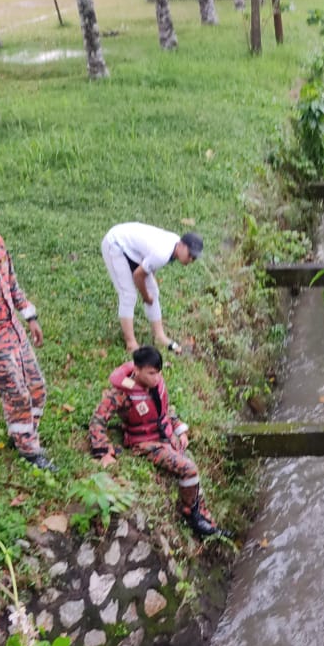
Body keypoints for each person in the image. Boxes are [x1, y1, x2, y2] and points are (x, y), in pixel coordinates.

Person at [89, 345, 232, 541]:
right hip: (146, 444)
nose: (156, 378)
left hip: (167, 438)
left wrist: (179, 429)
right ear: (137, 370)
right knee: (189, 468)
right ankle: (190, 514)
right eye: (151, 373)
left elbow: (164, 411)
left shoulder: (157, 384)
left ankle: (209, 524)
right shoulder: (121, 393)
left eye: (158, 373)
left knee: (195, 478)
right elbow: (98, 420)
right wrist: (103, 450)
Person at [0, 198, 53, 470]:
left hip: (13, 328)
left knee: (37, 387)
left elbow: (11, 280)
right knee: (16, 393)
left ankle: (22, 431)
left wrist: (29, 315)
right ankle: (29, 452)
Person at [101, 221, 203, 353]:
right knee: (128, 294)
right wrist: (145, 296)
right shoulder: (163, 253)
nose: (191, 260)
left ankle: (159, 335)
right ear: (182, 245)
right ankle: (131, 343)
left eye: (194, 258)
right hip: (115, 243)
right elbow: (138, 276)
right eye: (190, 255)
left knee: (153, 290)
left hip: (131, 249)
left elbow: (150, 264)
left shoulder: (173, 245)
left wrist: (149, 292)